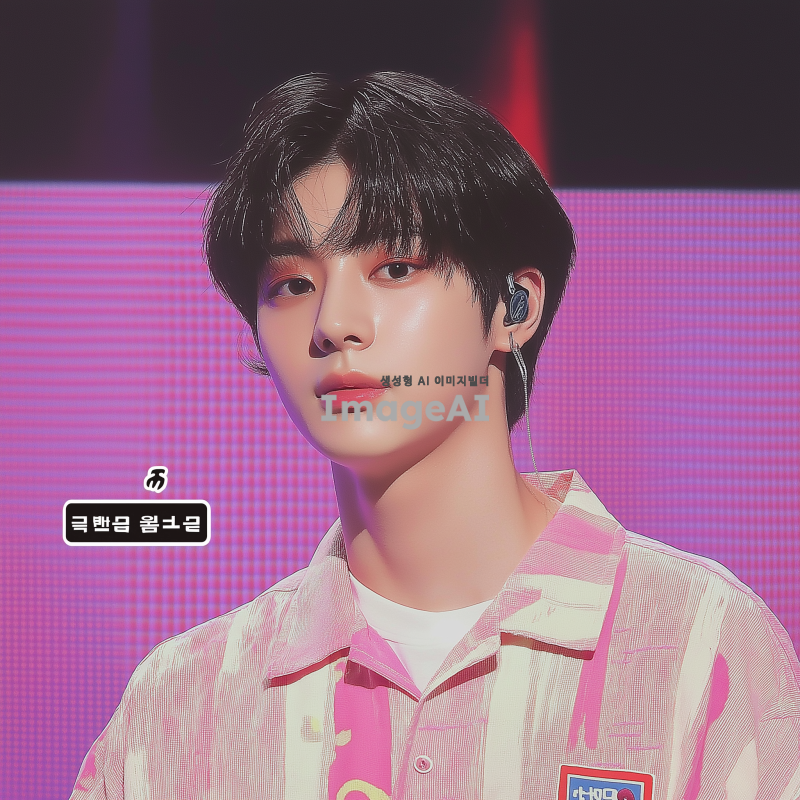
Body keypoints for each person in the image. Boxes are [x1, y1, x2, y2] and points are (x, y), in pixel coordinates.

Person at [71, 72, 800, 800]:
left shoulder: (699, 647)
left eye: (395, 267)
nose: (334, 323)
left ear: (513, 307)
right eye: (293, 284)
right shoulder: (182, 705)